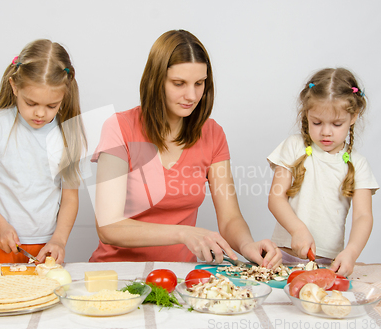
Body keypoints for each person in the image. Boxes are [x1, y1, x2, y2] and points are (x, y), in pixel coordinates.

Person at [90, 30, 281, 268]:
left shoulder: (213, 134)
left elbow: (230, 217)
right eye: (179, 83)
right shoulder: (119, 128)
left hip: (180, 276)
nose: (191, 96)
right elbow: (109, 227)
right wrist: (183, 233)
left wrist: (246, 245)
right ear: (156, 80)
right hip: (117, 272)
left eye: (199, 83)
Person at [0, 39, 86, 264]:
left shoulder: (68, 133)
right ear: (14, 86)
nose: (40, 113)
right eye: (31, 103)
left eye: (51, 106)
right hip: (1, 242)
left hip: (46, 246)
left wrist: (59, 240)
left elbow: (70, 196)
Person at [267, 68, 378, 276]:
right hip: (284, 257)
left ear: (353, 117)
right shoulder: (293, 146)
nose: (326, 132)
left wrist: (351, 253)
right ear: (307, 114)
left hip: (329, 264)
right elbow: (275, 198)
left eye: (337, 124)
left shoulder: (358, 164)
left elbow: (363, 216)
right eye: (317, 122)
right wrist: (297, 230)